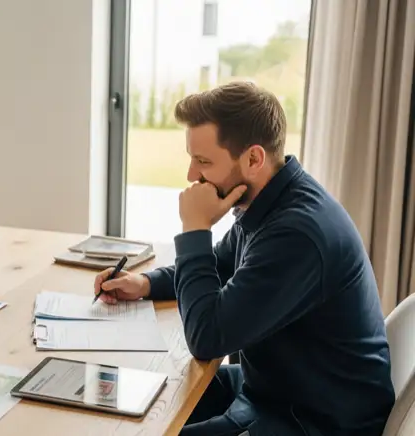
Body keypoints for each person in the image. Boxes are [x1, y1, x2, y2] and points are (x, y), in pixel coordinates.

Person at [94, 82, 394, 435]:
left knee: (138, 429)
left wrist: (195, 228)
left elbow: (207, 338)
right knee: (135, 400)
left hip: (310, 421)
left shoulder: (297, 234)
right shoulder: (272, 202)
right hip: (273, 391)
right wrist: (144, 283)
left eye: (203, 161)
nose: (191, 176)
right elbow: (221, 265)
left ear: (253, 159)